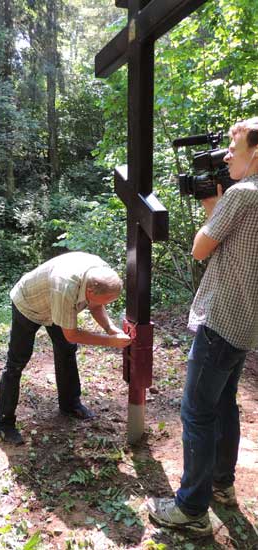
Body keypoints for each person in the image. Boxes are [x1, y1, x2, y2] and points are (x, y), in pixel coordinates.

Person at [148, 117, 258, 537]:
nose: (228, 154)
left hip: (222, 318)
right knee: (224, 406)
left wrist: (214, 205)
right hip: (247, 322)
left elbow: (200, 249)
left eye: (236, 147)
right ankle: (222, 486)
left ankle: (191, 508)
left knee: (195, 412)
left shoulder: (243, 195)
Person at [0, 251, 132, 444]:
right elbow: (72, 333)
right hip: (29, 305)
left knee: (67, 350)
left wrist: (109, 328)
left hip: (56, 305)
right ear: (90, 291)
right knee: (17, 361)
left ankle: (70, 404)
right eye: (105, 301)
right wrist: (110, 342)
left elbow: (95, 305)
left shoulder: (100, 273)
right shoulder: (66, 287)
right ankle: (4, 423)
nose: (106, 305)